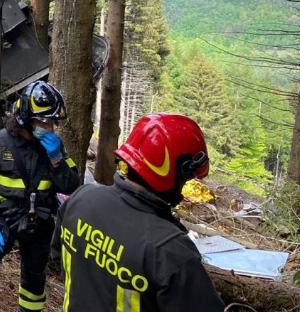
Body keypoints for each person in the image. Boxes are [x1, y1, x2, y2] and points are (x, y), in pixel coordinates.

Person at [52, 113, 224, 311]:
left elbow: (60, 255)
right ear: (176, 173)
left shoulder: (82, 198)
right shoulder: (170, 250)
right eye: (187, 179)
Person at [0, 80, 80, 312]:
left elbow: (70, 186)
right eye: (44, 121)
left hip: (39, 222)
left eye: (53, 122)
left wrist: (57, 158)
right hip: (1, 219)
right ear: (25, 118)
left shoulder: (54, 148)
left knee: (34, 284)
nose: (50, 127)